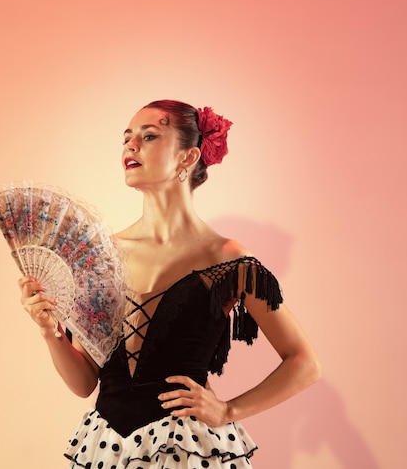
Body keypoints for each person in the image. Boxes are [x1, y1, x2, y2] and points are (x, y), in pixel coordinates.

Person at [18, 100, 321, 468]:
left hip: (188, 451)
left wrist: (227, 409)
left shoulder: (227, 259)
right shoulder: (98, 256)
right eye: (127, 138)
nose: (131, 146)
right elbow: (84, 383)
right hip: (109, 451)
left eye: (149, 136)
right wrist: (50, 331)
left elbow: (304, 363)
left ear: (187, 157)